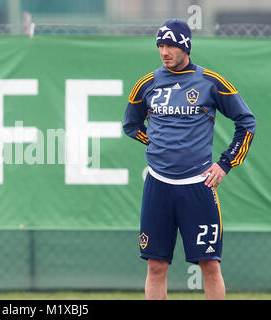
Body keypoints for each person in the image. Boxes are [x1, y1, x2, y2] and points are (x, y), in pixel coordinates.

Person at [123, 19, 256, 300]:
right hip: (158, 185)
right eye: (160, 45)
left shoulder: (211, 82)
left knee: (209, 264)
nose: (164, 51)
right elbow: (131, 125)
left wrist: (225, 163)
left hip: (198, 186)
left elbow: (246, 122)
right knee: (156, 266)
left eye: (171, 45)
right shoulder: (147, 84)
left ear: (186, 46)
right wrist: (158, 144)